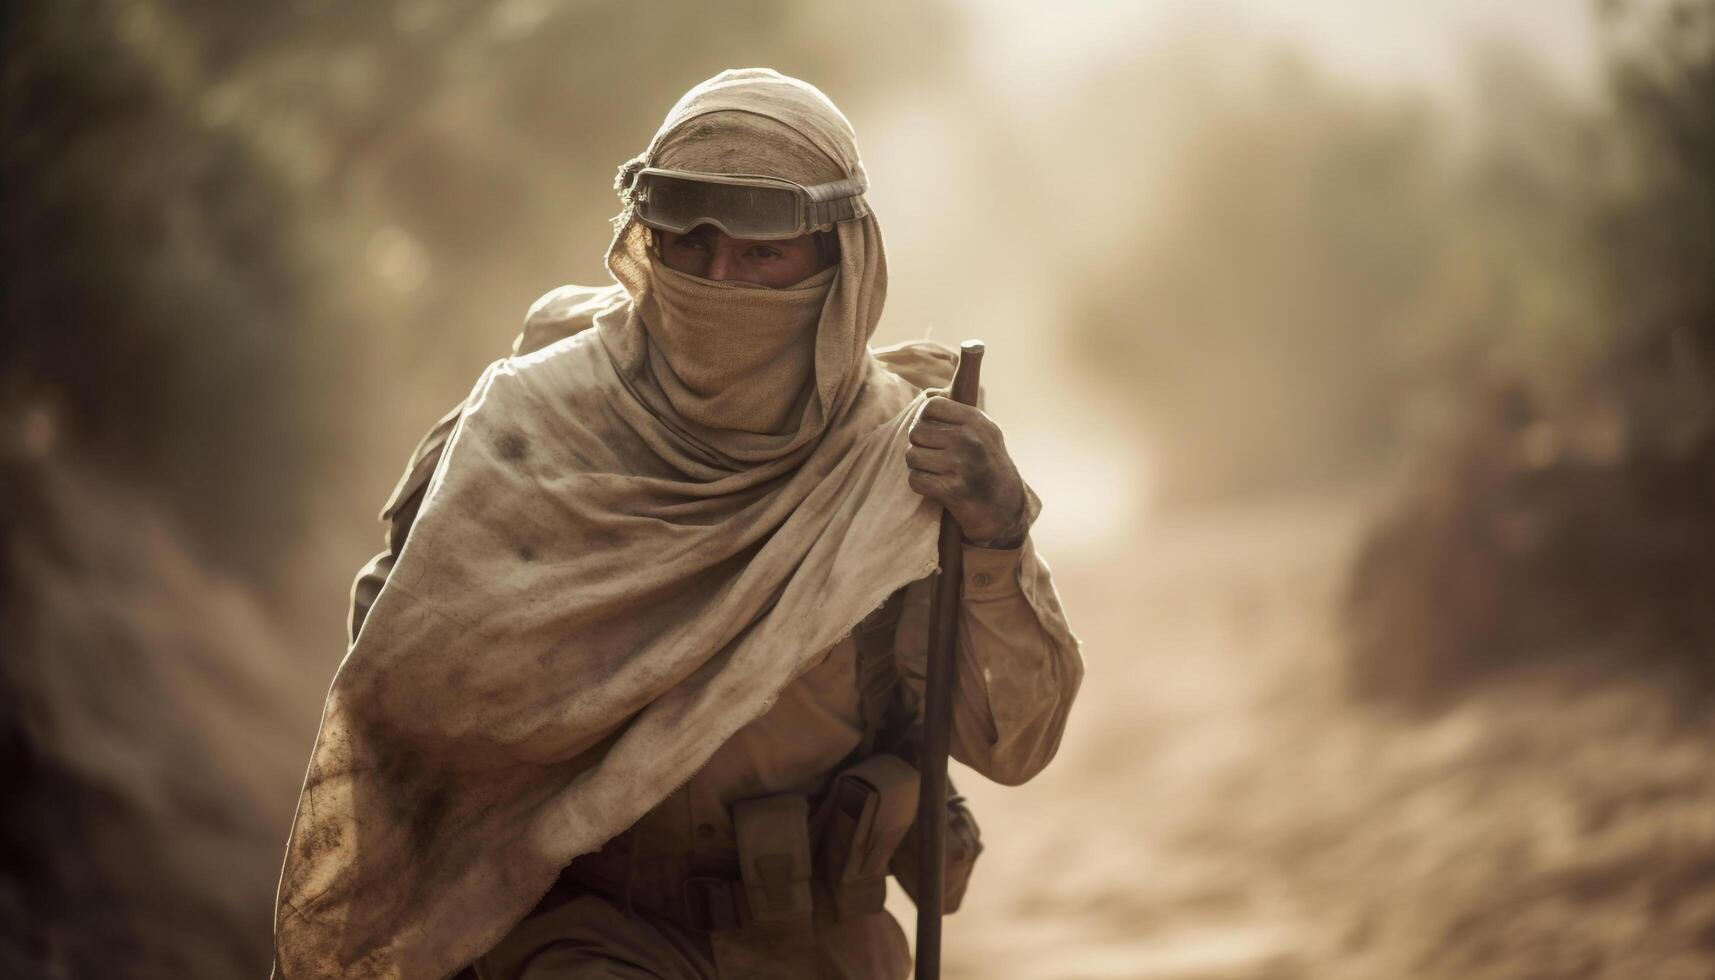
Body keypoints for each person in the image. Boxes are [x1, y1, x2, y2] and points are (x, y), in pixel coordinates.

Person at [273, 68, 1082, 980]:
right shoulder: (529, 429)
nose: (719, 277)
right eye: (689, 243)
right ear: (643, 240)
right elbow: (399, 702)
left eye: (760, 251)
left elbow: (1015, 743)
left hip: (827, 944)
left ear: (838, 260)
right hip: (591, 936)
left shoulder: (897, 466)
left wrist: (997, 532)